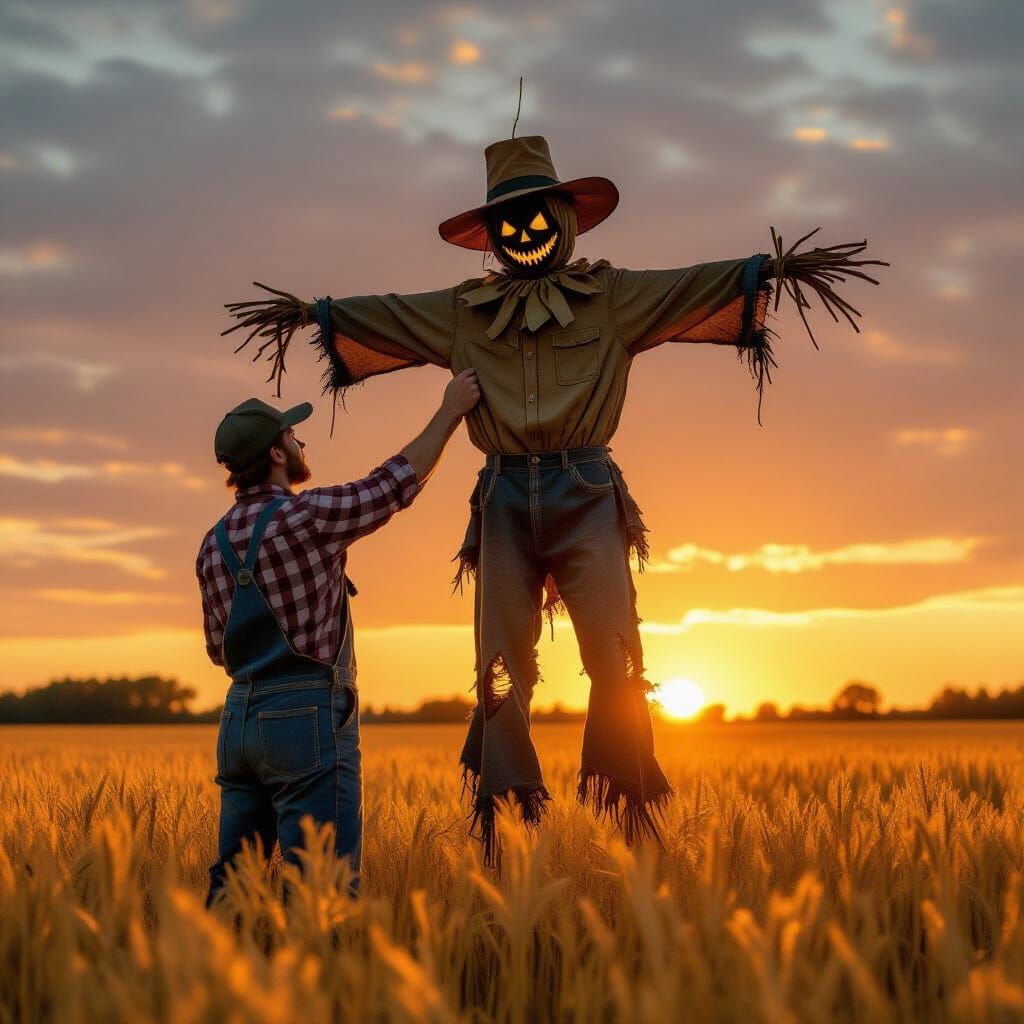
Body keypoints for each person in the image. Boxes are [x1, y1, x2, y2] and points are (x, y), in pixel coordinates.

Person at [222, 134, 885, 861]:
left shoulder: (614, 296)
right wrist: (311, 316)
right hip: (501, 497)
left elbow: (696, 283)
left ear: (565, 217)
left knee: (617, 656)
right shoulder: (460, 312)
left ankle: (628, 810)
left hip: (586, 489)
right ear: (492, 234)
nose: (523, 230)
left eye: (536, 214)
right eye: (508, 219)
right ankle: (505, 825)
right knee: (499, 668)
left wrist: (772, 269)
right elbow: (383, 312)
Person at [197, 369, 480, 905]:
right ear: (277, 455)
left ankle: (214, 983)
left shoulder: (212, 545)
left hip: (237, 719)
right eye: (291, 435)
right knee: (322, 893)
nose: (300, 441)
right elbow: (393, 484)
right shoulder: (307, 515)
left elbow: (219, 649)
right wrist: (449, 413)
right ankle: (319, 988)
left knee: (233, 888)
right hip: (305, 718)